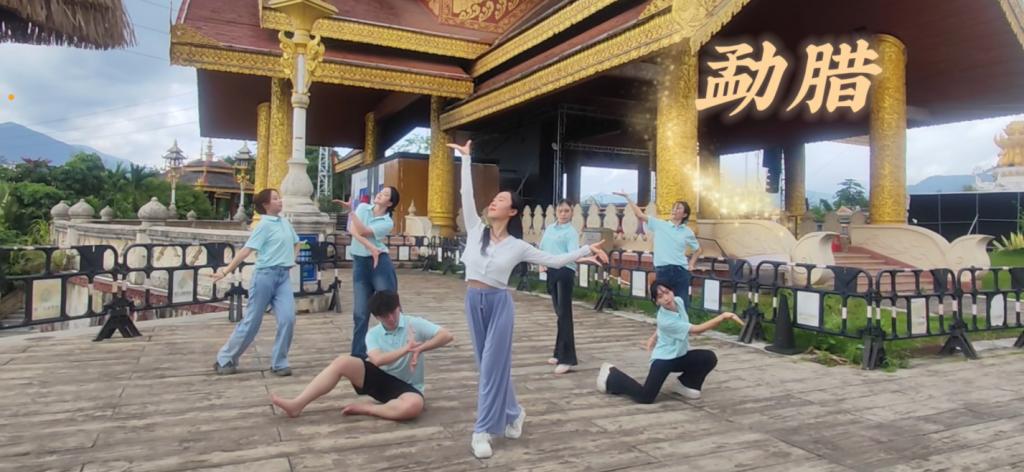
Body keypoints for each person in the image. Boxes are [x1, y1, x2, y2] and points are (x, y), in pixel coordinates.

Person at [447, 140, 609, 459]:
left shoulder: (517, 246)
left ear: (512, 211)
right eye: (493, 199)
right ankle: (514, 412)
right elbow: (467, 194)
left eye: (501, 200)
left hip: (499, 305)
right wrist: (465, 159)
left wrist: (585, 250)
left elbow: (555, 260)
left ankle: (482, 430)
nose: (493, 202)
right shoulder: (476, 229)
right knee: (487, 366)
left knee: (491, 367)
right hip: (473, 301)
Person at [270, 290, 453, 421]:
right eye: (384, 316)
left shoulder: (414, 323)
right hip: (380, 379)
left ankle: (370, 409)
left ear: (399, 307)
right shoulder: (373, 334)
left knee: (414, 407)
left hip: (408, 388)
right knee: (342, 361)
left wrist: (420, 348)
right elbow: (377, 360)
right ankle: (297, 404)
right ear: (376, 317)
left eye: (393, 312)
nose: (391, 319)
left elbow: (446, 335)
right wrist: (407, 349)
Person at [596, 280, 743, 404]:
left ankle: (687, 384)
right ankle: (611, 376)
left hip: (680, 355)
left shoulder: (678, 301)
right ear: (656, 301)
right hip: (664, 360)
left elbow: (663, 327)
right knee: (646, 397)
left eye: (667, 292)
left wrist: (653, 337)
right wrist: (723, 317)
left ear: (672, 291)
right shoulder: (665, 320)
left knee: (708, 357)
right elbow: (696, 330)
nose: (666, 298)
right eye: (660, 297)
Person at [212, 188, 301, 376]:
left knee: (288, 319)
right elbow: (247, 250)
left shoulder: (285, 222)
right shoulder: (263, 225)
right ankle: (225, 358)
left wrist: (292, 259)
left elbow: (297, 242)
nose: (280, 201)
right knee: (252, 320)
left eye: (279, 198)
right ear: (266, 205)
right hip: (264, 276)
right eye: (275, 199)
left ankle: (279, 363)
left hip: (283, 277)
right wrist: (226, 270)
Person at [333, 186, 400, 359]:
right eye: (381, 192)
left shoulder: (387, 222)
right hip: (361, 264)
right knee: (360, 313)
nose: (380, 194)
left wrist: (351, 213)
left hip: (380, 264)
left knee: (389, 306)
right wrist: (370, 246)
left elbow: (362, 231)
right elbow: (352, 230)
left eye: (385, 195)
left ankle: (398, 345)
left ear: (390, 203)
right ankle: (358, 354)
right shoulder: (363, 208)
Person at [614, 191, 702, 308]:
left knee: (681, 303)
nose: (674, 210)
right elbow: (640, 215)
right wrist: (627, 197)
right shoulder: (660, 224)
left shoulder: (687, 231)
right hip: (663, 270)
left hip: (680, 270)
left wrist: (691, 264)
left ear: (684, 214)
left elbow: (698, 250)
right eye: (674, 207)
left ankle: (682, 319)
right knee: (664, 302)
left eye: (678, 208)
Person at [538, 199, 584, 374]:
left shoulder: (571, 232)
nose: (563, 214)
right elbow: (543, 248)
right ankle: (558, 353)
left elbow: (573, 254)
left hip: (565, 271)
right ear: (556, 212)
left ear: (571, 213)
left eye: (566, 211)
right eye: (560, 211)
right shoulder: (550, 228)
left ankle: (567, 358)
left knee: (564, 314)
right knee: (559, 313)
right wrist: (541, 263)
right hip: (551, 270)